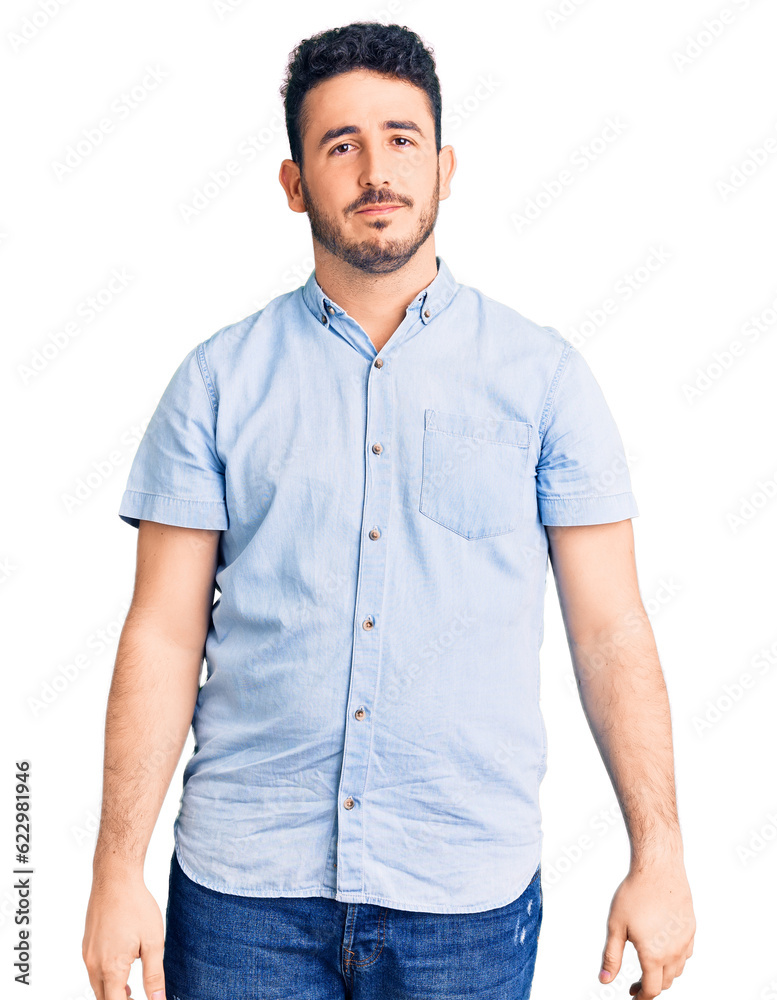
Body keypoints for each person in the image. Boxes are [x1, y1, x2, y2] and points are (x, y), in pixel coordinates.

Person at [82, 20, 695, 1000]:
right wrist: (115, 870)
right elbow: (160, 633)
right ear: (294, 184)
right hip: (244, 897)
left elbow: (612, 627)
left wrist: (658, 853)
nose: (377, 169)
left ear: (446, 167)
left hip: (466, 894)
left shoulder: (544, 381)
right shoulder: (215, 384)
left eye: (402, 139)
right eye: (341, 144)